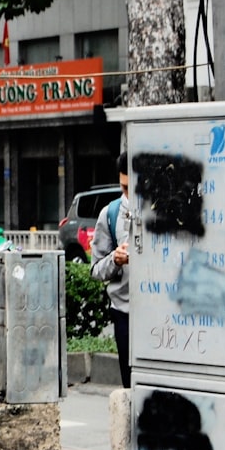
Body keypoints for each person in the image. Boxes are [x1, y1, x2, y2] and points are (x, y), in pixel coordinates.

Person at [90, 153, 133, 387]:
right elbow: (96, 269)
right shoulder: (110, 213)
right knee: (130, 385)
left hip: (161, 314)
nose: (129, 195)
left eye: (134, 188)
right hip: (124, 311)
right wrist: (114, 260)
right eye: (124, 188)